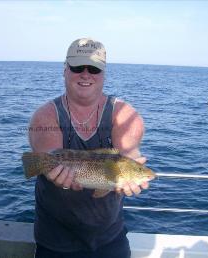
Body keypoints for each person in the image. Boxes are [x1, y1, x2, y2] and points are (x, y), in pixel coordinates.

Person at [28, 38, 149, 258]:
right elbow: (49, 156)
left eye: (94, 68)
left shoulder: (125, 115)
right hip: (55, 240)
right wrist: (54, 173)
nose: (86, 74)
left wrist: (133, 168)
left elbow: (128, 153)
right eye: (77, 67)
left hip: (110, 239)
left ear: (103, 73)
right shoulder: (45, 116)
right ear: (65, 70)